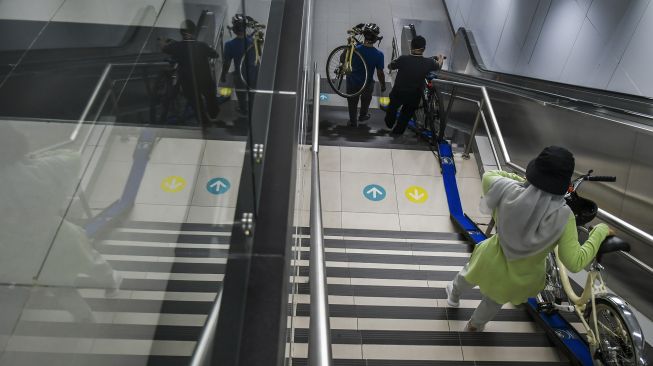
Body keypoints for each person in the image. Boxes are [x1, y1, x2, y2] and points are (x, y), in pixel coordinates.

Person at [446, 146, 611, 331]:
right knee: (494, 300)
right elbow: (574, 262)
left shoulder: (508, 190)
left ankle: (453, 296)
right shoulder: (565, 216)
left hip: (490, 257)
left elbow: (489, 176)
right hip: (520, 276)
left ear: (533, 173)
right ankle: (475, 325)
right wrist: (600, 232)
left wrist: (524, 183)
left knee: (468, 275)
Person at [162, 19, 219, 126]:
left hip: (188, 81)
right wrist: (209, 50)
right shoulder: (202, 45)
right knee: (210, 96)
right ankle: (214, 113)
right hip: (204, 79)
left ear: (181, 32)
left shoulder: (176, 46)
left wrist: (164, 42)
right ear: (194, 31)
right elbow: (215, 55)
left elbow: (165, 49)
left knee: (196, 102)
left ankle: (204, 123)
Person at [384, 35, 443, 135]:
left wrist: (394, 62)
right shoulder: (429, 62)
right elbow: (439, 66)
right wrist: (440, 57)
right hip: (414, 96)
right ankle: (397, 133)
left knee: (392, 108)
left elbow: (390, 66)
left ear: (411, 47)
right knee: (406, 115)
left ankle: (389, 122)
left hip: (398, 92)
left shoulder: (403, 59)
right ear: (423, 49)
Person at [346, 23, 385, 127]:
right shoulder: (379, 55)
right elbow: (380, 73)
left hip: (352, 82)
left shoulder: (355, 49)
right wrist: (383, 85)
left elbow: (342, 59)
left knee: (352, 103)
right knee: (366, 100)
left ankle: (353, 121)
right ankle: (363, 116)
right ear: (375, 39)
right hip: (367, 83)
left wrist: (348, 47)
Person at [221, 14, 257, 115]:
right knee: (253, 95)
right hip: (254, 73)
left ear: (234, 30)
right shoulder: (253, 42)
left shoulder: (229, 45)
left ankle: (243, 110)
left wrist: (223, 75)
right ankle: (253, 112)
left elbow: (227, 62)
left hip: (240, 74)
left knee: (241, 94)